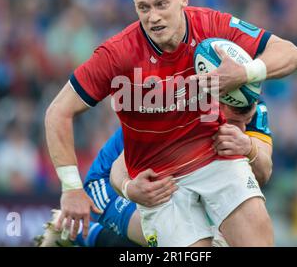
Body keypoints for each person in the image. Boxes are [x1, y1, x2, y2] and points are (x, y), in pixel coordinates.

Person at [44, 0, 297, 247]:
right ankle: (80, 235)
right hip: (145, 181)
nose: (153, 17)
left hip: (215, 164)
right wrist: (77, 189)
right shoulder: (118, 55)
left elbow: (293, 54)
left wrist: (245, 75)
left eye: (161, 4)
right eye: (143, 7)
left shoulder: (218, 39)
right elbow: (60, 114)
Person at [38, 99, 273, 247]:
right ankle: (79, 231)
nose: (240, 129)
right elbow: (119, 169)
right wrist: (132, 190)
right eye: (232, 121)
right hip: (112, 183)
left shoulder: (252, 105)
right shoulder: (184, 106)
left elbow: (263, 174)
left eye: (246, 122)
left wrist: (249, 148)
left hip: (173, 185)